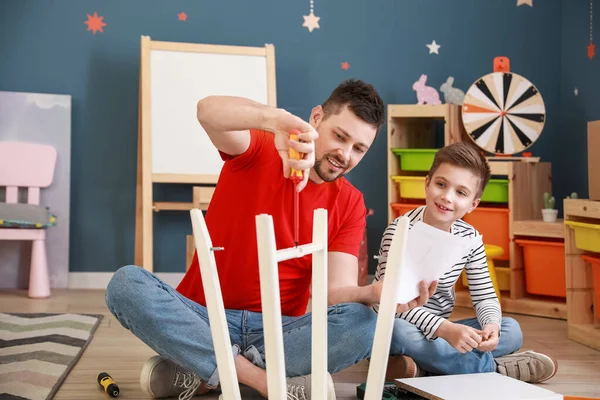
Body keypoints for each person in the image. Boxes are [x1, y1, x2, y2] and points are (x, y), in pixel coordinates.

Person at [105, 79, 437, 400]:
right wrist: (276, 120)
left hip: (278, 332)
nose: (345, 154)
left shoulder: (349, 202)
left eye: (359, 148)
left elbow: (335, 295)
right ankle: (261, 381)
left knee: (363, 323)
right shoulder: (262, 146)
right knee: (126, 285)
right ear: (316, 118)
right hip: (203, 317)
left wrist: (373, 293)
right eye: (340, 136)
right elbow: (206, 110)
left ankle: (206, 372)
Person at [374, 142, 558, 383]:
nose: (447, 197)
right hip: (396, 325)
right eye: (441, 184)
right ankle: (495, 370)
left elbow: (484, 295)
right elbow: (392, 304)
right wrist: (446, 330)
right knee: (398, 332)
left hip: (440, 333)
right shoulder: (398, 231)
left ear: (473, 203)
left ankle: (421, 368)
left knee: (511, 329)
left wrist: (491, 324)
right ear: (427, 183)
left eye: (460, 192)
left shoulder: (469, 238)